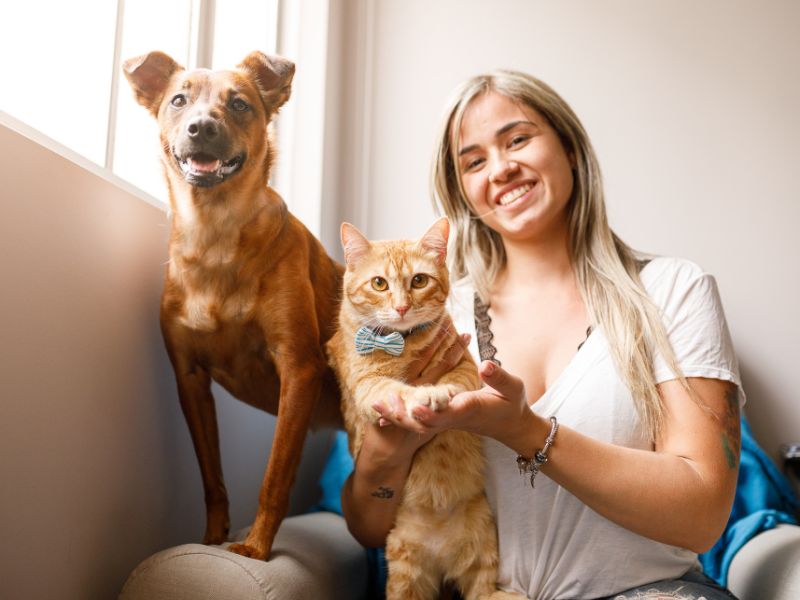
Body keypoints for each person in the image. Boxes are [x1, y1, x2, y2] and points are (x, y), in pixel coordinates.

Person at [340, 70, 743, 600]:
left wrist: (526, 430)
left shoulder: (672, 290)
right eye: (475, 161)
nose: (502, 168)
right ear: (462, 190)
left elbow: (702, 519)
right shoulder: (424, 312)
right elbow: (369, 527)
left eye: (518, 139)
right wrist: (388, 449)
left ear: (570, 148)